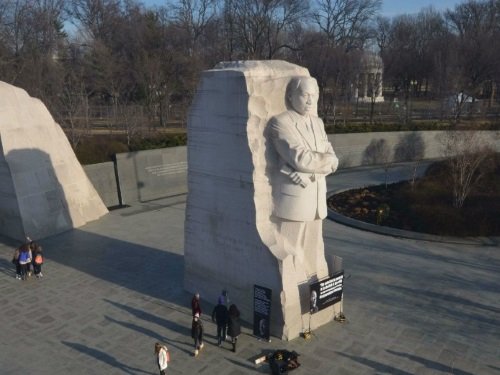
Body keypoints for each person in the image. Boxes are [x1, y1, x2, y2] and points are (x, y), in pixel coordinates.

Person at [269, 76, 339, 278]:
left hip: (316, 198)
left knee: (313, 251)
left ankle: (312, 286)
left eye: (314, 95)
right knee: (290, 252)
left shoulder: (318, 123)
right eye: (305, 95)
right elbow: (300, 158)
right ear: (290, 96)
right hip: (294, 200)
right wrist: (325, 163)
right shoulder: (280, 123)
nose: (311, 100)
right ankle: (293, 287)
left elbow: (332, 155)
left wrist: (324, 163)